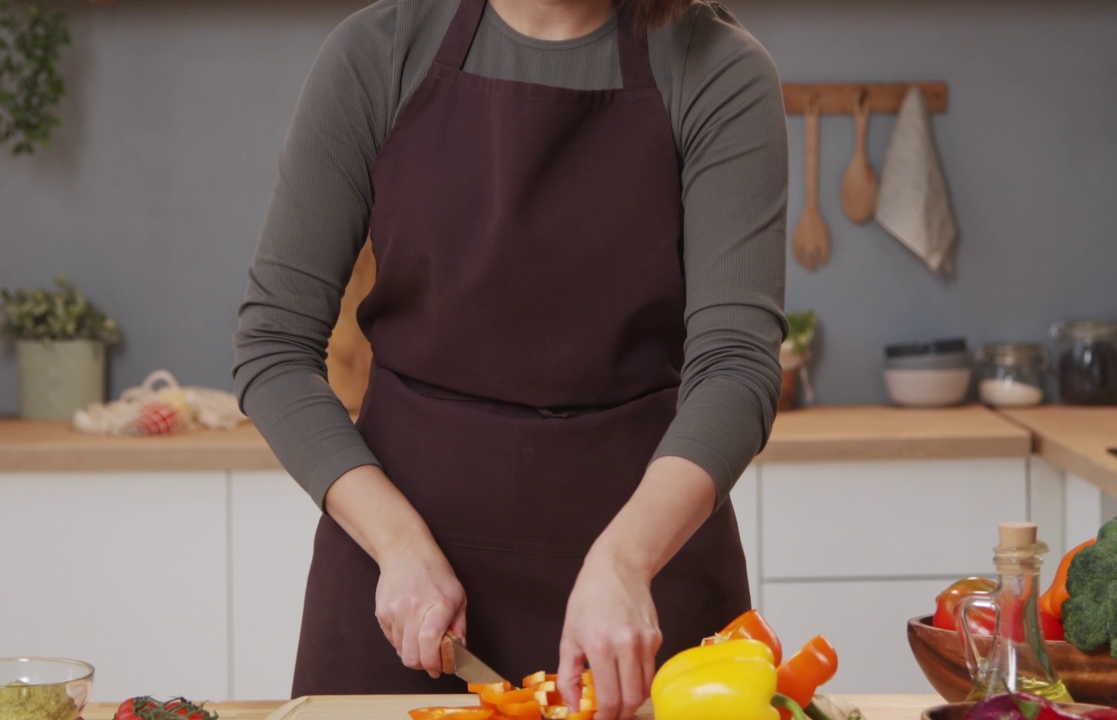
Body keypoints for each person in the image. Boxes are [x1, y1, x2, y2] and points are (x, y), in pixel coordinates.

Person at [232, 0, 787, 718]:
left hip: (641, 594)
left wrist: (626, 559)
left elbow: (737, 363)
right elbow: (273, 343)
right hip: (403, 592)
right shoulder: (376, 53)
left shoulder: (718, 69)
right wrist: (396, 542)